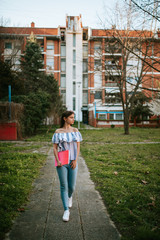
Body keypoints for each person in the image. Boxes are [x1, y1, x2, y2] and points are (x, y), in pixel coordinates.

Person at [52, 110, 82, 222]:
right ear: (65, 118)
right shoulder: (58, 132)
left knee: (72, 186)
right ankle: (66, 210)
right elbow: (55, 147)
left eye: (73, 117)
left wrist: (75, 160)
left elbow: (78, 147)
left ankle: (70, 196)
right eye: (71, 117)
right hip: (61, 162)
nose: (73, 119)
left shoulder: (75, 131)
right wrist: (57, 160)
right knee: (63, 186)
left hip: (72, 161)